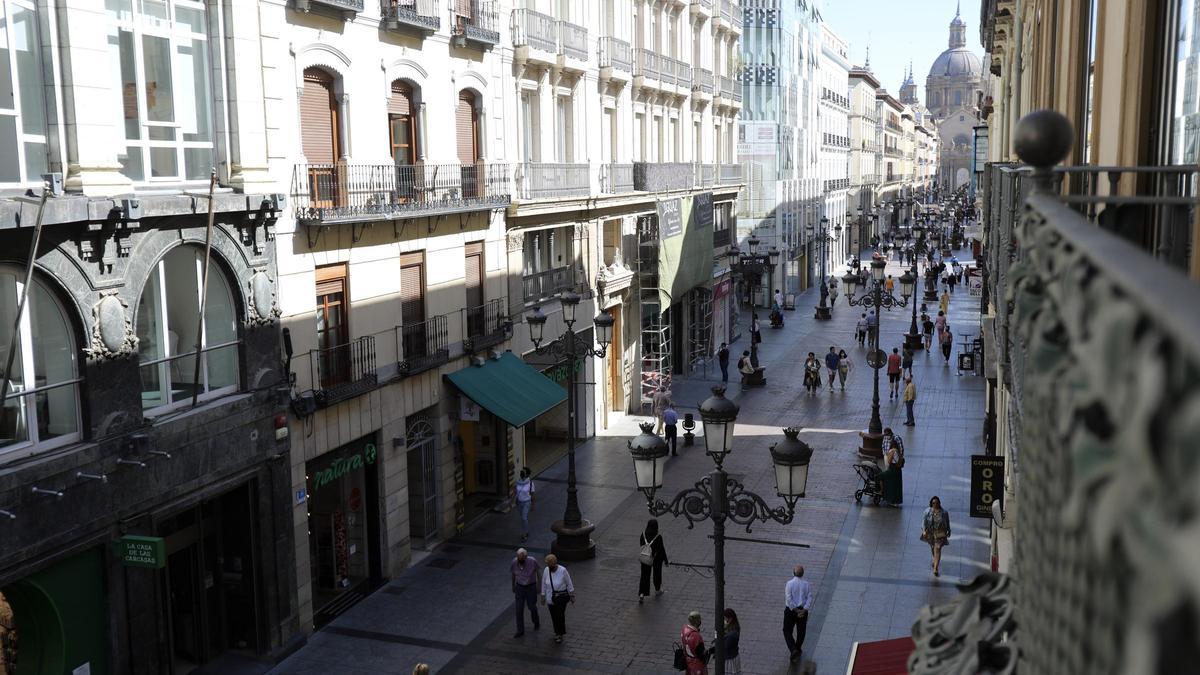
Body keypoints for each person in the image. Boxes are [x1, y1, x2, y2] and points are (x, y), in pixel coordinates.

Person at [540, 554, 574, 643]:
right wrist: (543, 595)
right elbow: (543, 583)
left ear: (555, 563)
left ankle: (560, 633)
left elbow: (569, 582)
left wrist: (572, 595)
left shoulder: (563, 570)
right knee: (554, 616)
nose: (549, 567)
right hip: (550, 598)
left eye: (551, 565)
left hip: (561, 598)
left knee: (559, 615)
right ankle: (557, 632)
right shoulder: (546, 570)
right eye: (548, 565)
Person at [783, 565, 814, 662]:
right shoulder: (806, 584)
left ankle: (793, 649)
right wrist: (804, 609)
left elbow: (789, 598)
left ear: (793, 573)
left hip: (791, 611)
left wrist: (795, 610)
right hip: (802, 611)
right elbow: (809, 597)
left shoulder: (789, 584)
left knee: (787, 630)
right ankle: (798, 647)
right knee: (801, 631)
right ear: (803, 574)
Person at [510, 547, 541, 637]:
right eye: (519, 559)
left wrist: (539, 586)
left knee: (532, 607)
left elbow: (538, 573)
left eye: (522, 559)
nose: (520, 561)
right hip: (519, 587)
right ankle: (520, 630)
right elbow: (513, 574)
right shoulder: (514, 562)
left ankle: (536, 621)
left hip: (531, 586)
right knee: (518, 609)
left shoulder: (532, 561)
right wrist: (513, 585)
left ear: (526, 557)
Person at [638, 518, 669, 603]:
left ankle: (642, 593)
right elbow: (662, 549)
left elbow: (641, 545)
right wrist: (666, 560)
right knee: (657, 574)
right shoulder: (658, 536)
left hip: (645, 557)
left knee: (644, 576)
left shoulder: (643, 534)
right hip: (656, 558)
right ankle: (657, 590)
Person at [922, 496, 951, 576]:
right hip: (931, 532)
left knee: (937, 548)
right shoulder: (927, 511)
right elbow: (923, 521)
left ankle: (936, 568)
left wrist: (949, 530)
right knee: (932, 547)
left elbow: (947, 522)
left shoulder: (944, 512)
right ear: (931, 503)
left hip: (940, 533)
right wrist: (924, 531)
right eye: (933, 503)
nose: (935, 504)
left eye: (937, 503)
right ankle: (935, 560)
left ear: (939, 503)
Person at [880, 428, 905, 507]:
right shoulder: (885, 439)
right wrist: (885, 454)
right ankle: (895, 500)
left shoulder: (896, 440)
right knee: (896, 483)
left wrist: (891, 455)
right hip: (896, 466)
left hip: (893, 466)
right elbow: (883, 446)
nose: (886, 437)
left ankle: (890, 498)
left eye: (887, 435)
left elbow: (890, 461)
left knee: (890, 480)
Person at [514, 468, 535, 542]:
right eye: (521, 472)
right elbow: (515, 492)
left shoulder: (530, 483)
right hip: (519, 502)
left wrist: (533, 505)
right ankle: (526, 530)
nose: (521, 473)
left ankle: (524, 534)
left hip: (527, 502)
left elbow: (532, 494)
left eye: (523, 472)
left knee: (524, 518)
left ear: (527, 474)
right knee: (522, 519)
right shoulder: (517, 482)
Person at [721, 608, 741, 674]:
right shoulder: (731, 626)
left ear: (730, 618)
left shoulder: (732, 635)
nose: (725, 620)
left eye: (725, 618)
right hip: (731, 656)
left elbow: (725, 646)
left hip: (730, 659)